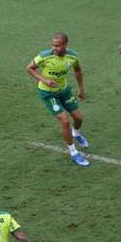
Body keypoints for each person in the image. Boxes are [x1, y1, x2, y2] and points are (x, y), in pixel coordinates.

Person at [26, 32, 90, 167]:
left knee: (78, 118)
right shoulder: (44, 56)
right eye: (53, 45)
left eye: (58, 46)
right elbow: (29, 68)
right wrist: (44, 80)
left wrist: (81, 89)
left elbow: (77, 70)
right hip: (48, 93)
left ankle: (76, 133)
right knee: (65, 121)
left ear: (65, 45)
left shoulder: (72, 56)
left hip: (64, 91)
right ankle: (73, 152)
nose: (54, 48)